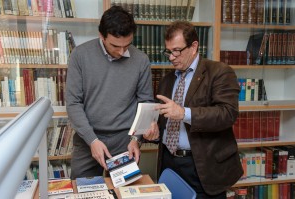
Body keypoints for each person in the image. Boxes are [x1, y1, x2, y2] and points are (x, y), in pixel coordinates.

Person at [66, 6, 159, 179]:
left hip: (125, 141)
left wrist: (136, 139)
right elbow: (73, 103)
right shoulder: (80, 55)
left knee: (124, 193)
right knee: (82, 192)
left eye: (127, 45)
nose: (122, 52)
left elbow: (145, 103)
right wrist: (92, 140)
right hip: (88, 139)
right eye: (115, 45)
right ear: (101, 36)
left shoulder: (141, 60)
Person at [155, 21, 243, 198]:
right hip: (169, 163)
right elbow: (163, 120)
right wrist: (154, 133)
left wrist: (184, 113)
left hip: (202, 166)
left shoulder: (219, 72)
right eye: (168, 51)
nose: (171, 57)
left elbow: (227, 113)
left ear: (194, 46)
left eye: (177, 51)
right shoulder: (167, 80)